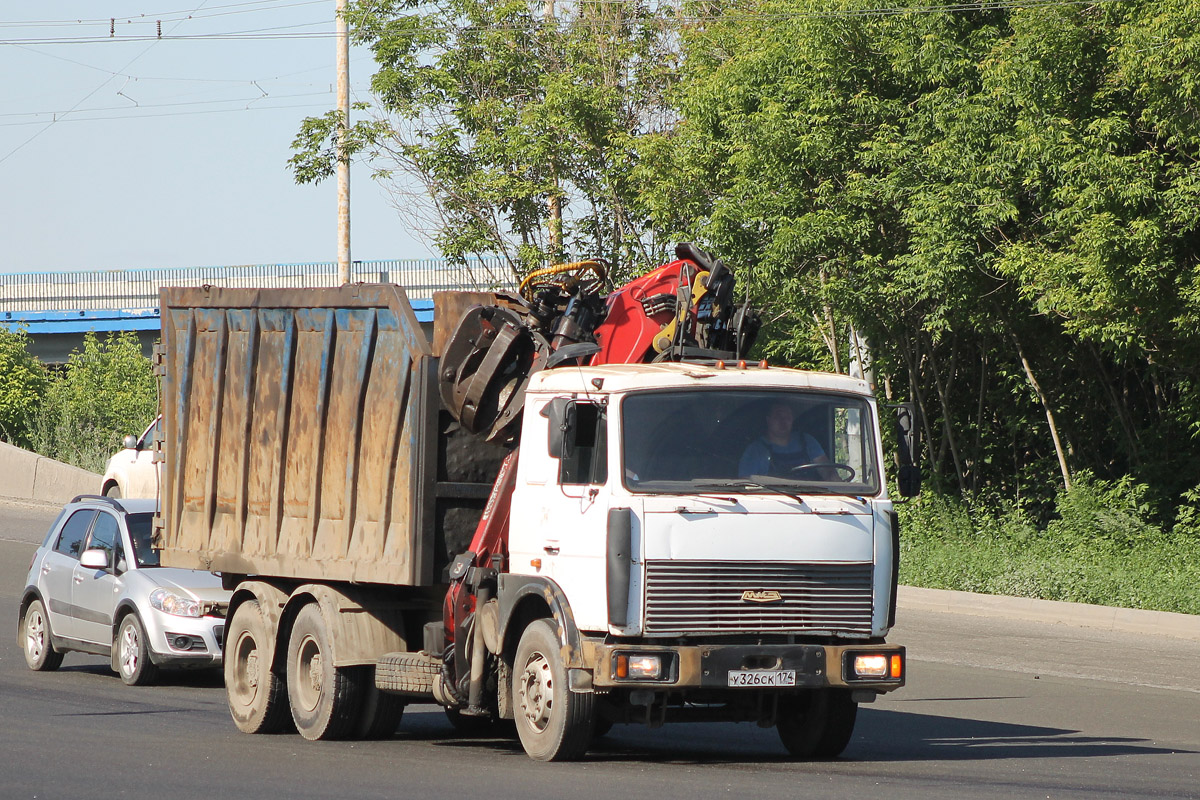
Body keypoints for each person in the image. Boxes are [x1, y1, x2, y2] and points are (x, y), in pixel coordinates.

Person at [738, 401, 830, 478]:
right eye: (778, 417)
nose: (783, 421)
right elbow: (745, 485)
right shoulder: (755, 450)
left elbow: (829, 474)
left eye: (787, 417)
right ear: (768, 420)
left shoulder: (807, 441)